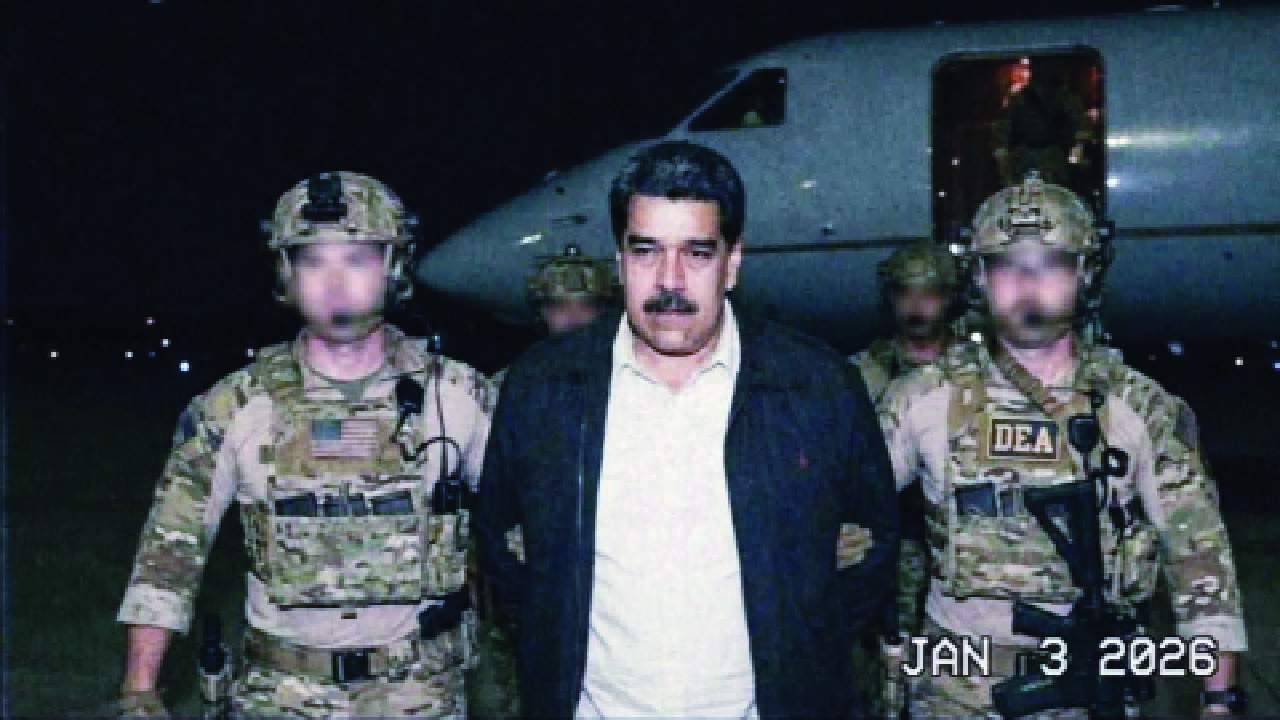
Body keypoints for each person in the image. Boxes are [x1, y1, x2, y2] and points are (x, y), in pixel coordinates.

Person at [475, 140, 898, 719]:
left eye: (697, 253)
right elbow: (507, 557)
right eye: (646, 251)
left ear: (732, 262)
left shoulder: (815, 387)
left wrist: (798, 654)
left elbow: (868, 554)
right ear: (619, 260)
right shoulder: (543, 388)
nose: (669, 281)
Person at [114, 172, 494, 718]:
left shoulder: (459, 397)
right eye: (313, 261)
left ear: (393, 269)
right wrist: (140, 690)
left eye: (356, 259)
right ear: (286, 275)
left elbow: (525, 532)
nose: (334, 281)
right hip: (282, 696)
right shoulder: (235, 406)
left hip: (420, 695)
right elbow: (170, 552)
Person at [879, 173, 1248, 718]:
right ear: (979, 278)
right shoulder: (921, 400)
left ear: (1085, 274)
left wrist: (1219, 699)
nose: (1028, 283)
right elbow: (844, 516)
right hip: (953, 691)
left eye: (1051, 264)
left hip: (1087, 690)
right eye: (1007, 265)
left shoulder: (1138, 409)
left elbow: (1200, 561)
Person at [469, 244, 615, 718]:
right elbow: (488, 492)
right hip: (530, 580)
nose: (571, 319)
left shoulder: (632, 383)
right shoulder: (508, 387)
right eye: (558, 307)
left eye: (585, 306)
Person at [848, 241, 962, 716]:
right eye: (905, 293)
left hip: (960, 550)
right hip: (886, 554)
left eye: (929, 293)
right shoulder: (863, 375)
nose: (917, 307)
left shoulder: (978, 374)